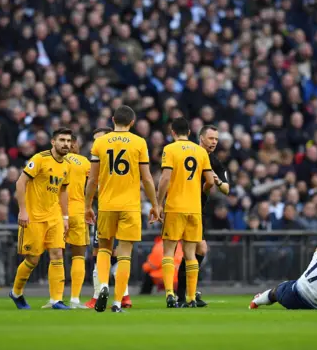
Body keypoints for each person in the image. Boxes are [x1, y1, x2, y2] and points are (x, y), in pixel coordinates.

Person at [84, 105, 160, 313]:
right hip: (130, 206)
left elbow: (92, 180)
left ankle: (103, 287)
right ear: (132, 122)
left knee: (104, 249)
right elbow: (146, 178)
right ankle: (117, 302)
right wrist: (155, 205)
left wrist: (88, 206)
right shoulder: (139, 142)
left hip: (107, 205)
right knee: (125, 254)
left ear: (112, 119)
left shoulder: (100, 142)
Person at [9, 128, 73, 310]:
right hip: (34, 217)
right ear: (53, 142)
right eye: (62, 140)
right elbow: (20, 182)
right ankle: (16, 292)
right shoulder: (39, 159)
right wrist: (23, 211)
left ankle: (56, 300)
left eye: (68, 141)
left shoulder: (67, 165)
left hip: (54, 217)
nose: (66, 144)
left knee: (57, 254)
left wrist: (65, 216)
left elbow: (62, 191)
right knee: (33, 259)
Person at [157, 117, 214, 308]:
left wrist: (158, 202)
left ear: (172, 132)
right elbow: (211, 182)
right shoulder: (200, 151)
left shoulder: (169, 149)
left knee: (169, 253)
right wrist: (199, 192)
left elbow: (165, 179)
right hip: (194, 209)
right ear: (189, 133)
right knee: (190, 254)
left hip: (175, 207)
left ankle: (170, 295)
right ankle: (190, 298)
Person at [177, 125, 229, 307]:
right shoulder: (188, 153)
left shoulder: (214, 161)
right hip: (181, 207)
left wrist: (217, 180)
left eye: (216, 139)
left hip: (198, 211)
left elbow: (226, 189)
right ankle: (182, 295)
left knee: (197, 251)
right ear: (201, 138)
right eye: (211, 138)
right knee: (194, 250)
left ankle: (186, 293)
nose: (214, 142)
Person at [81, 127, 133, 310]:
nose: (96, 143)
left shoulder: (98, 163)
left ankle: (97, 295)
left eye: (99, 139)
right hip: (128, 209)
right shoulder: (125, 155)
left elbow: (92, 184)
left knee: (100, 252)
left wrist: (87, 206)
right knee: (121, 254)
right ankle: (124, 296)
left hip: (107, 209)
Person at [63, 134, 92, 309]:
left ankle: (55, 299)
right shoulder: (84, 162)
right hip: (78, 210)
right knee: (78, 255)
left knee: (56, 256)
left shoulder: (54, 160)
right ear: (74, 145)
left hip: (57, 211)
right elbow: (95, 184)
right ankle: (74, 299)